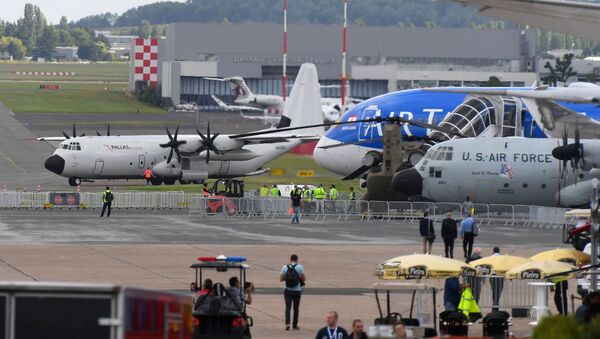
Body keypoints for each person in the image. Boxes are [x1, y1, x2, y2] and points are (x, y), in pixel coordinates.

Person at [281, 254, 306, 330]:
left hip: (287, 290)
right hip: (297, 291)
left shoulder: (285, 267)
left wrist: (288, 278)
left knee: (288, 308)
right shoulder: (300, 267)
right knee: (296, 308)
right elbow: (304, 279)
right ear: (297, 260)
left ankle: (287, 324)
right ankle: (295, 325)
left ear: (290, 259)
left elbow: (281, 279)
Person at [489, 246, 504, 312]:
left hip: (492, 276)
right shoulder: (501, 258)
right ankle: (496, 304)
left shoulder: (490, 257)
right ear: (499, 251)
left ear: (493, 251)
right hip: (499, 275)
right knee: (499, 290)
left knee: (494, 290)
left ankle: (495, 304)